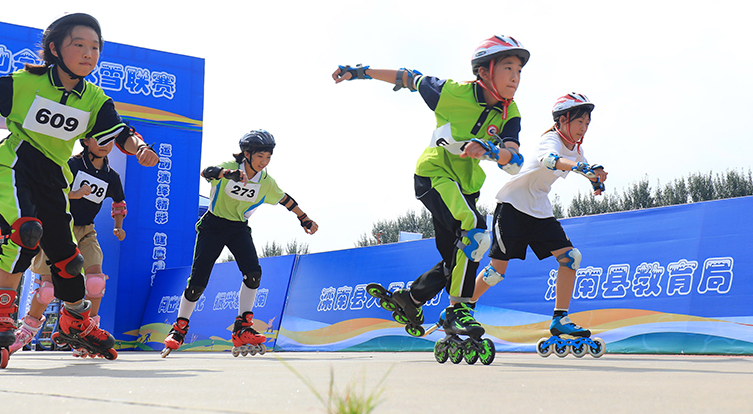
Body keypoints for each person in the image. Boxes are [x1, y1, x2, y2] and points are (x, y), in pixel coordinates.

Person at [0, 13, 158, 368]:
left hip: (54, 178)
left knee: (70, 263)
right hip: (14, 165)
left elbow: (119, 133)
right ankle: (0, 312)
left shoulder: (95, 101)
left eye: (95, 48)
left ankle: (75, 321)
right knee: (25, 231)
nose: (89, 54)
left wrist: (140, 147)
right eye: (79, 45)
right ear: (55, 49)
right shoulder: (26, 83)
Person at [331, 35, 528, 365]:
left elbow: (516, 160)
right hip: (434, 175)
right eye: (508, 67)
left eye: (519, 70)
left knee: (457, 259)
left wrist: (492, 149)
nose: (515, 77)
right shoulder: (451, 93)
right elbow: (408, 77)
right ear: (485, 71)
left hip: (465, 188)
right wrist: (360, 72)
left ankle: (410, 299)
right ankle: (459, 311)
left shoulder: (510, 112)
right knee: (476, 230)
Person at [468, 93, 610, 357]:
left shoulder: (576, 147)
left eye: (588, 124)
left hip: (539, 210)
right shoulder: (551, 139)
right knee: (497, 271)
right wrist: (582, 168)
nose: (584, 128)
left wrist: (595, 178)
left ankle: (560, 318)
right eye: (580, 121)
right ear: (563, 120)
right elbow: (551, 160)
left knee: (571, 257)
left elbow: (583, 166)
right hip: (512, 206)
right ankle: (463, 308)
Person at [161, 130, 317, 357]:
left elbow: (285, 199)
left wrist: (304, 217)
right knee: (197, 283)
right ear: (247, 154)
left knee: (253, 273)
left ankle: (243, 326)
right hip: (213, 226)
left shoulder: (265, 182)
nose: (264, 162)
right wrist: (227, 174)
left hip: (238, 228)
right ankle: (179, 328)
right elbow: (206, 172)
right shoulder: (230, 167)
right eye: (260, 157)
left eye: (268, 158)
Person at [11, 136, 127, 356]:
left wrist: (118, 226)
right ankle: (27, 329)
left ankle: (87, 329)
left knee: (94, 282)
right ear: (85, 141)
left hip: (86, 230)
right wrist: (74, 194)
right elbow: (50, 192)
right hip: (58, 226)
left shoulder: (111, 176)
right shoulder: (71, 165)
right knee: (48, 290)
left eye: (110, 139)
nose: (105, 143)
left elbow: (119, 203)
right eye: (100, 139)